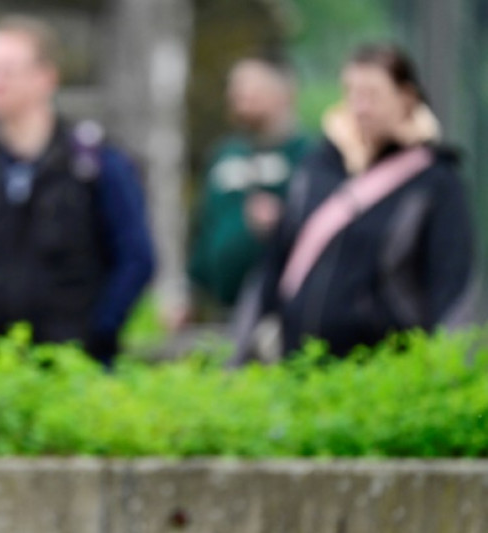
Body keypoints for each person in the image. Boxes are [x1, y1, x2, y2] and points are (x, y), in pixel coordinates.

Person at [0, 16, 155, 366]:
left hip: (77, 370)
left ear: (46, 78)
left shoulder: (94, 164)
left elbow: (136, 258)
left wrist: (96, 331)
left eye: (6, 71)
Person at [235, 44, 476, 363]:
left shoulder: (435, 182)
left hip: (385, 372)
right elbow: (275, 263)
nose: (360, 107)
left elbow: (452, 285)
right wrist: (240, 352)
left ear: (406, 97)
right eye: (352, 93)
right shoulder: (317, 168)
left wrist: (445, 367)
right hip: (300, 365)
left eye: (372, 95)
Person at [180, 56, 309, 327]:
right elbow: (202, 229)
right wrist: (189, 294)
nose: (238, 94)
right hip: (220, 313)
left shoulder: (307, 156)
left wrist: (283, 221)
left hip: (281, 314)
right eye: (235, 87)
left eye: (251, 86)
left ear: (285, 92)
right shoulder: (224, 154)